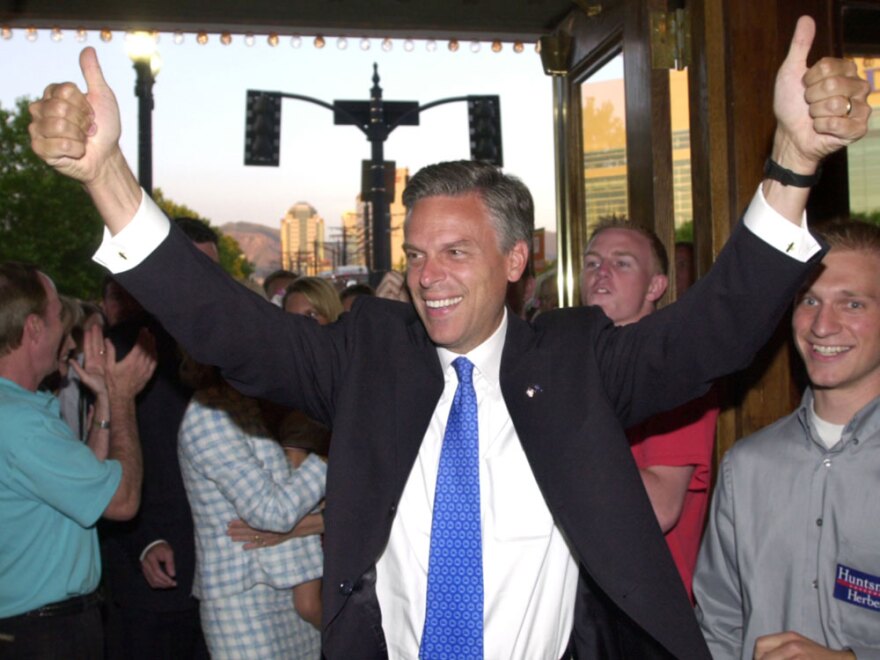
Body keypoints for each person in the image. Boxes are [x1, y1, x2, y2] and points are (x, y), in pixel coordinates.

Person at [28, 16, 869, 659]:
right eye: (416, 254)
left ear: (514, 259)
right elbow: (230, 326)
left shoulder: (578, 363)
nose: (429, 275)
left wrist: (793, 162)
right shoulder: (366, 357)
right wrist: (108, 178)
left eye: (456, 252)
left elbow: (712, 331)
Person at [693, 221, 880, 660]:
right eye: (809, 300)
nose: (822, 325)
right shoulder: (747, 467)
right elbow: (719, 624)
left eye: (852, 303)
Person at [0, 262, 155, 658]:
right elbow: (120, 501)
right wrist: (122, 399)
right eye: (57, 317)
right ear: (33, 328)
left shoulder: (18, 410)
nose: (65, 332)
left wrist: (103, 402)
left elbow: (83, 484)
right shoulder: (20, 423)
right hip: (41, 633)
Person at [99, 217, 219, 660]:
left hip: (225, 573)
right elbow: (99, 462)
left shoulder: (232, 347)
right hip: (153, 573)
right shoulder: (126, 348)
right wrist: (145, 539)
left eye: (215, 271)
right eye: (198, 269)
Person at [581, 220, 717, 602]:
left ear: (655, 286)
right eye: (592, 263)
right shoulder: (572, 363)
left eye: (621, 263)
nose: (601, 272)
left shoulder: (679, 370)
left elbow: (658, 509)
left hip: (647, 607)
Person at [177, 355, 326, 659]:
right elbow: (271, 512)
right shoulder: (208, 414)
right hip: (242, 599)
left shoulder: (249, 401)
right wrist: (330, 458)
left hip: (291, 590)